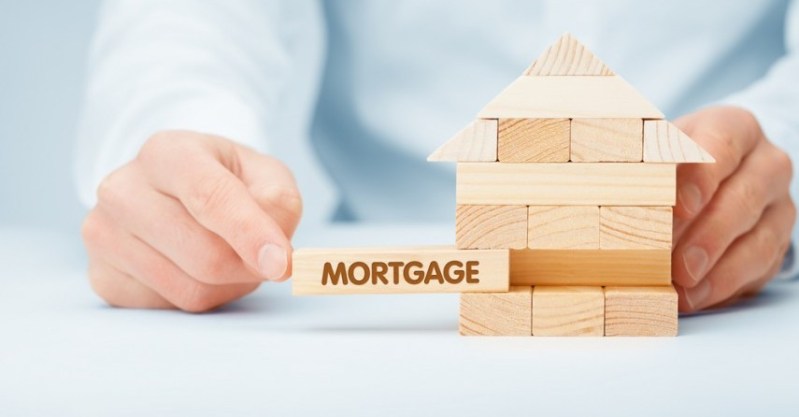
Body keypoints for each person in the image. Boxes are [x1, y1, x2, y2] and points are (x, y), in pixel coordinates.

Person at [76, 1, 799, 313]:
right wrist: (183, 151)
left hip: (716, 292)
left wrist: (773, 150)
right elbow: (186, 29)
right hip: (373, 269)